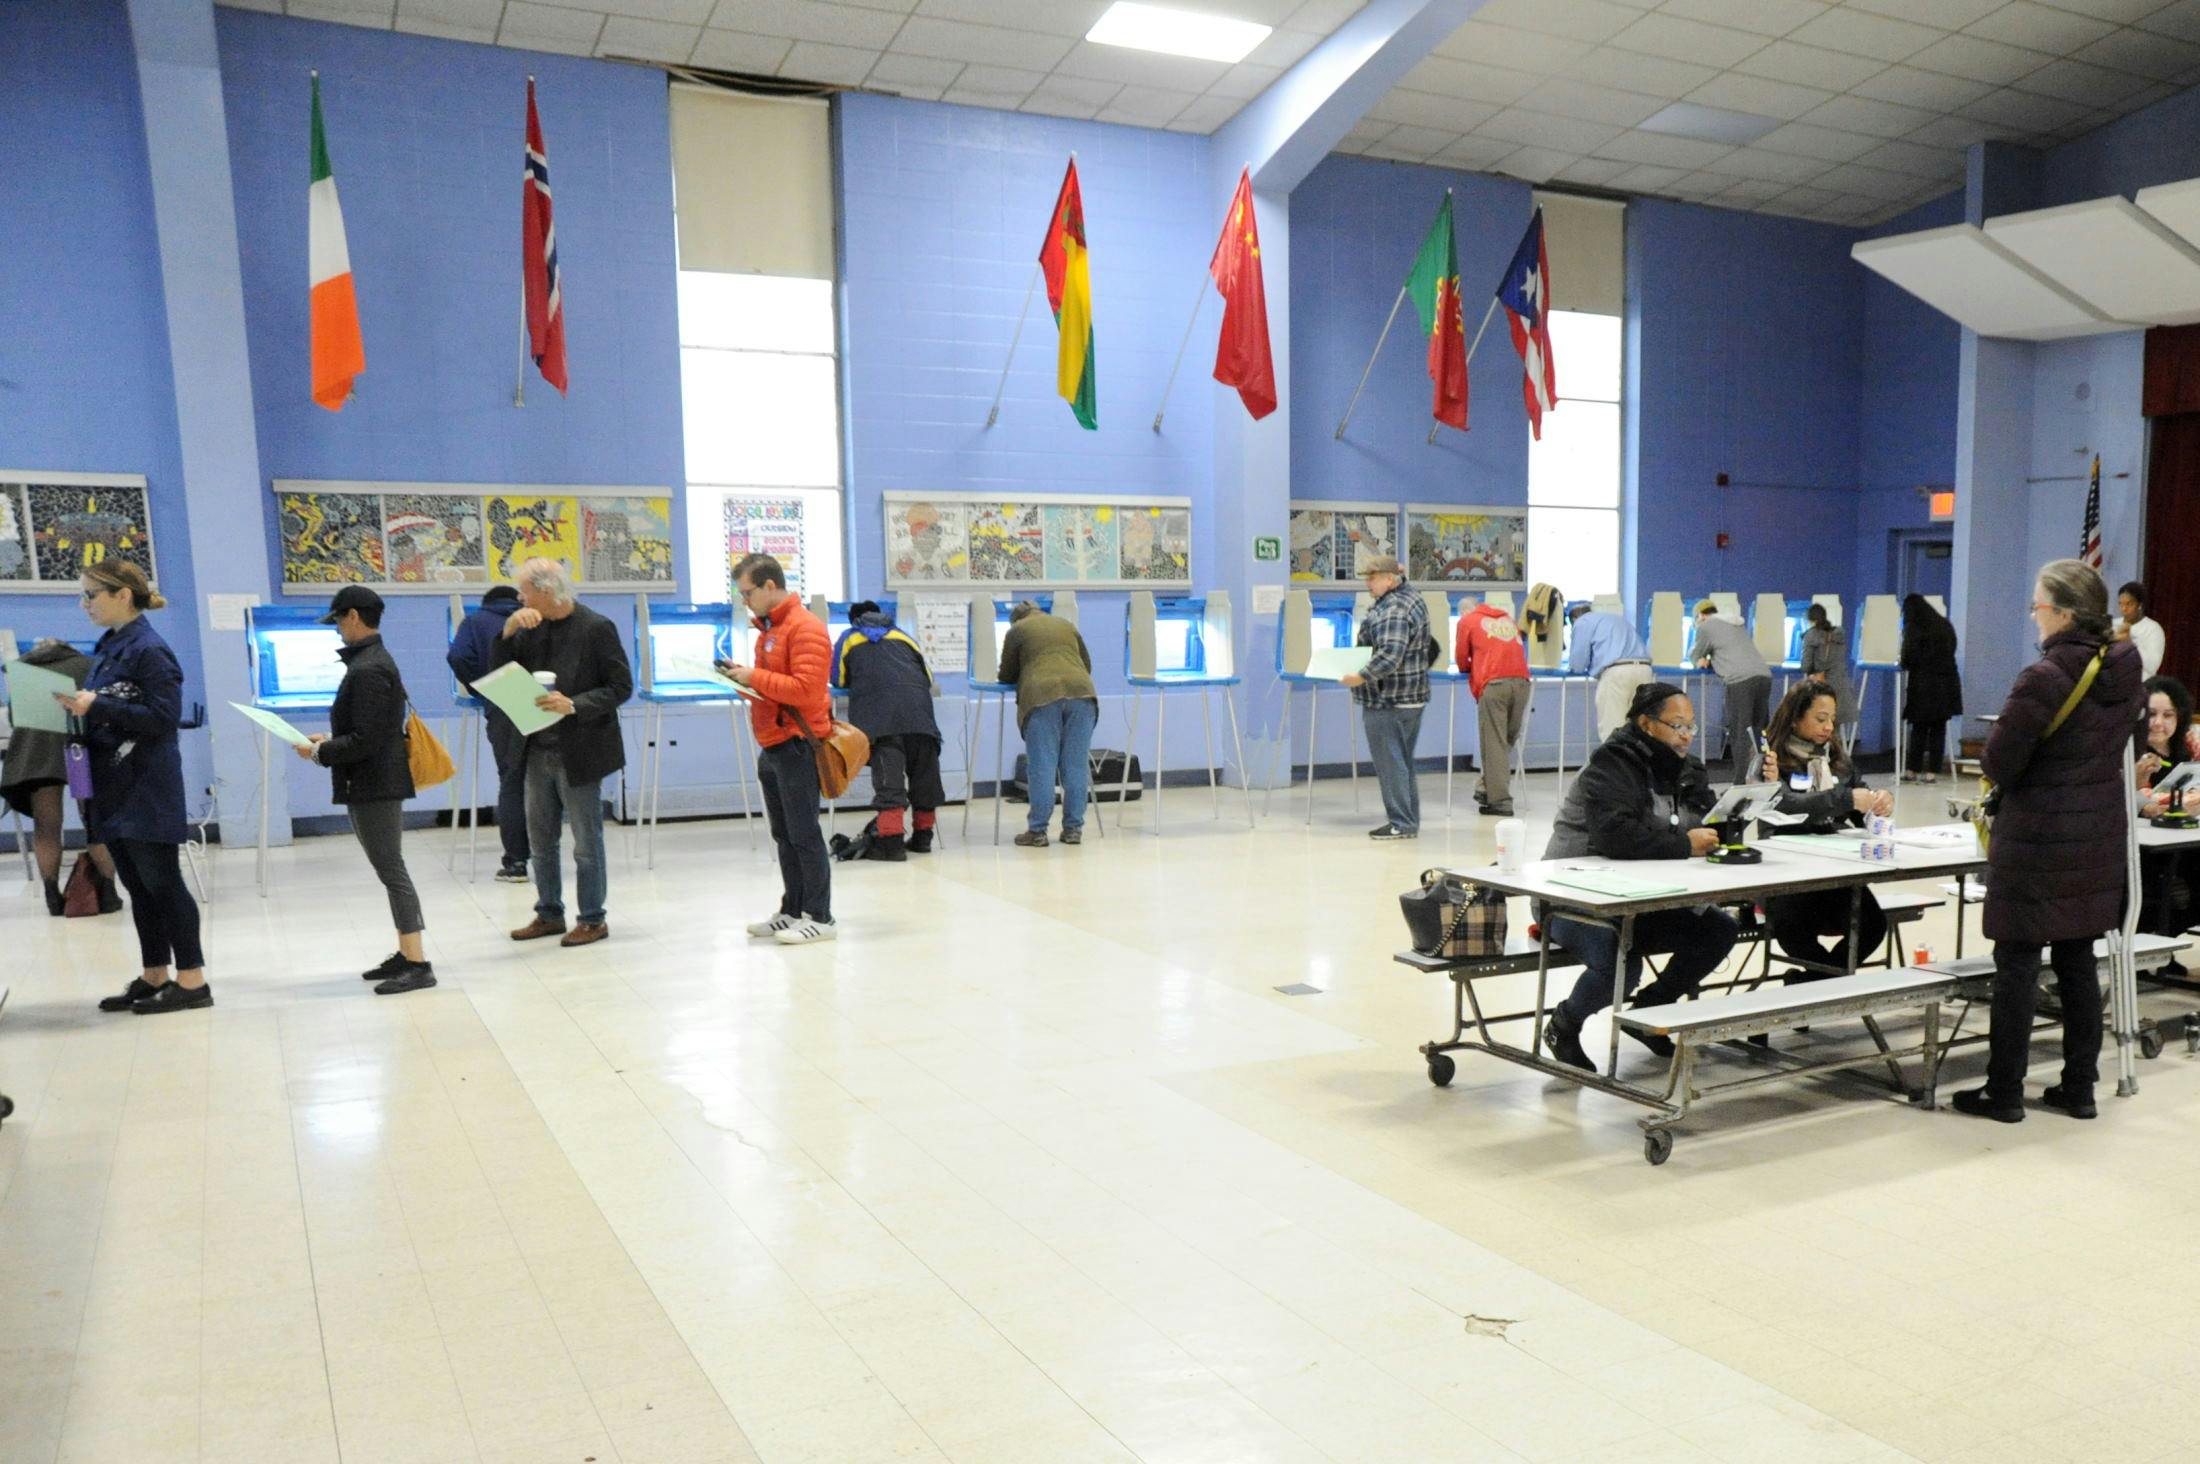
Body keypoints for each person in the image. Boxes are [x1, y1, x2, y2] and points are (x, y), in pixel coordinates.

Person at [1953, 559, 2144, 1124]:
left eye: (2037, 605)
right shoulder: (2125, 669)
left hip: (2038, 837)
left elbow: (1999, 761)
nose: (2033, 615)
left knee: (2016, 962)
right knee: (2078, 959)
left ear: (2062, 613)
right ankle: (2079, 1088)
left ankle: (2004, 1091)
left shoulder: (2044, 676)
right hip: (2096, 834)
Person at [1539, 682, 1737, 1072]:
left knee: (1718, 929)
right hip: (1572, 897)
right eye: (1677, 726)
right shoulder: (1611, 765)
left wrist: (1744, 802)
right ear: (1646, 724)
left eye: (1691, 727)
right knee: (1620, 963)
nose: (1686, 736)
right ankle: (1564, 1024)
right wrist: (1684, 844)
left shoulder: (1688, 769)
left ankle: (1648, 1012)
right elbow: (1616, 836)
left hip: (1642, 895)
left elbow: (1709, 823)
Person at [59, 562, 210, 1015]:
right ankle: (154, 974)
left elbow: (163, 718)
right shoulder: (110, 646)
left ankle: (193, 981)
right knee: (138, 887)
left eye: (92, 595)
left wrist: (97, 705)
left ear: (123, 595)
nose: (85, 604)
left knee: (163, 883)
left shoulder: (150, 649)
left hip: (146, 785)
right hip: (114, 784)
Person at [298, 587, 434, 995]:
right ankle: (406, 953)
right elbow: (367, 730)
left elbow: (367, 741)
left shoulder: (369, 668)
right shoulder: (369, 662)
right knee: (388, 869)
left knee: (392, 870)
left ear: (354, 616)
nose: (337, 629)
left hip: (376, 783)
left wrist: (321, 751)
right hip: (370, 781)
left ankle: (417, 962)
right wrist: (328, 742)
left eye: (339, 620)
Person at [491, 558, 632, 947]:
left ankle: (592, 918)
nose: (520, 599)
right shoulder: (530, 629)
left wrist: (574, 704)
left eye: (524, 591)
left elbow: (620, 687)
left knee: (586, 842)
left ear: (547, 590)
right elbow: (498, 674)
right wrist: (507, 632)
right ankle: (549, 913)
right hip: (537, 747)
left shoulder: (596, 628)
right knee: (541, 840)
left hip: (581, 749)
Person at [724, 553, 836, 944]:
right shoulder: (770, 631)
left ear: (770, 586)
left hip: (798, 744)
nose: (745, 601)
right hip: (773, 744)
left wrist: (754, 676)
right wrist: (739, 680)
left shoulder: (805, 628)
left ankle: (820, 916)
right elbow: (772, 690)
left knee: (804, 833)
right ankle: (792, 909)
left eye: (748, 593)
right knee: (784, 835)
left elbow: (805, 690)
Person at [1755, 679, 1892, 975]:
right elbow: (1785, 804)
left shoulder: (1837, 758)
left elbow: (1859, 802)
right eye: (1820, 719)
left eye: (1832, 719)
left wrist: (1878, 802)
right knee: (1794, 931)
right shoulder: (1771, 760)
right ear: (1795, 718)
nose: (1828, 727)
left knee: (1873, 925)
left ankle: (1810, 984)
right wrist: (1845, 799)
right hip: (1788, 874)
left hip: (1836, 871)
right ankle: (1825, 984)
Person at [0, 637, 122, 916]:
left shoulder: (22, 671)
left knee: (47, 825)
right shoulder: (88, 665)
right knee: (93, 821)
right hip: (80, 751)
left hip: (38, 755)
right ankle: (108, 892)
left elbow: (16, 718)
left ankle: (52, 895)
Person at [831, 601, 942, 861]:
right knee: (925, 778)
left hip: (880, 720)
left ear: (853, 620)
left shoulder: (849, 638)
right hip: (920, 716)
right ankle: (923, 839)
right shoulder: (904, 637)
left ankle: (891, 844)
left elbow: (838, 678)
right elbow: (928, 677)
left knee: (889, 780)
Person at [1340, 555, 1433, 841]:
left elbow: (1391, 653)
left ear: (1390, 579)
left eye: (1373, 578)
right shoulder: (1409, 597)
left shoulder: (1394, 608)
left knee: (1391, 765)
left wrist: (1361, 676)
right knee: (1401, 763)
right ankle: (1407, 821)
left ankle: (1401, 823)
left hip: (1389, 699)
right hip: (1410, 697)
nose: (1367, 583)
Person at [997, 599, 1098, 848]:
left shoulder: (1017, 630)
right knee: (1075, 765)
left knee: (1042, 766)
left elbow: (1006, 674)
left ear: (1017, 619)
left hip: (1042, 697)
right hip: (1082, 694)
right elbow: (1086, 664)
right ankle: (1073, 829)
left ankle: (1038, 831)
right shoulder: (1065, 624)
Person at [447, 584, 530, 883]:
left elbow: (458, 656)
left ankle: (516, 863)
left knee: (511, 781)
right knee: (544, 781)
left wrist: (483, 688)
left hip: (503, 705)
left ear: (487, 603)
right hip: (543, 702)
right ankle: (548, 856)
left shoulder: (475, 621)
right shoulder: (534, 617)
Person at [2134, 674, 2199, 968]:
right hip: (2143, 850)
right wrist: (2143, 796)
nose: (2158, 723)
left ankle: (2168, 942)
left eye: (2168, 715)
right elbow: (2120, 797)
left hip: (2182, 840)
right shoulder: (2126, 749)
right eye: (2151, 714)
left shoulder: (2188, 749)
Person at [1456, 596, 1530, 817]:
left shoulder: (1467, 621)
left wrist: (1468, 668)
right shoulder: (1507, 618)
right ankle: (1487, 786)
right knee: (1506, 739)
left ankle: (1499, 801)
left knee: (1494, 742)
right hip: (1522, 682)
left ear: (1465, 611)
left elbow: (1461, 658)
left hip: (1494, 683)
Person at [1690, 599, 1773, 786]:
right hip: (1764, 677)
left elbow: (1696, 655)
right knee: (1760, 732)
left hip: (1740, 681)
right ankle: (1765, 778)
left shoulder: (1706, 626)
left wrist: (1702, 660)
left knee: (1740, 733)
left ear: (1700, 615)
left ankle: (1741, 784)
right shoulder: (1735, 623)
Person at [1564, 601, 1653, 742]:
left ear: (1574, 619)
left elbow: (1578, 663)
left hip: (1617, 673)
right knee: (1640, 727)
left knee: (1613, 728)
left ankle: (1616, 757)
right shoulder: (1615, 619)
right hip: (1645, 670)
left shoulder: (1582, 622)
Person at [1899, 593, 1962, 783]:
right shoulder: (1944, 624)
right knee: (1938, 728)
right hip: (1946, 684)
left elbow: (1907, 658)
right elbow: (1953, 649)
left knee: (1919, 728)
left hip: (1922, 685)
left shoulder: (1914, 628)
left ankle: (1912, 769)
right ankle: (1932, 772)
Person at [1798, 604, 1856, 733]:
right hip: (1842, 691)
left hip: (1823, 691)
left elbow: (1806, 666)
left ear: (1811, 620)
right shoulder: (1839, 634)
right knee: (1835, 730)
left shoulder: (1811, 636)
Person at [2118, 581, 2165, 680]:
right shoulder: (2114, 624)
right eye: (2120, 604)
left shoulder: (2153, 629)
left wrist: (2130, 643)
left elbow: (2152, 666)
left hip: (2141, 685)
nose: (2124, 608)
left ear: (2139, 605)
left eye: (2129, 604)